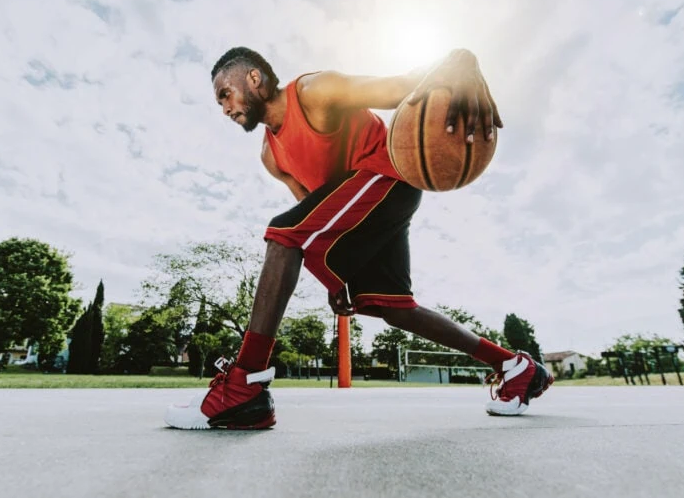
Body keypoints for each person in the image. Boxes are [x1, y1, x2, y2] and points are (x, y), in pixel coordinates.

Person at [165, 47, 553, 430]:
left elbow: (401, 86)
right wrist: (337, 274)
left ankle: (244, 384)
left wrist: (460, 61)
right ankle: (513, 365)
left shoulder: (316, 92)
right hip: (363, 203)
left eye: (224, 95)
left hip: (389, 177)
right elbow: (315, 212)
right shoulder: (271, 156)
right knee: (394, 307)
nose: (225, 109)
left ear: (254, 79)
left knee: (282, 233)